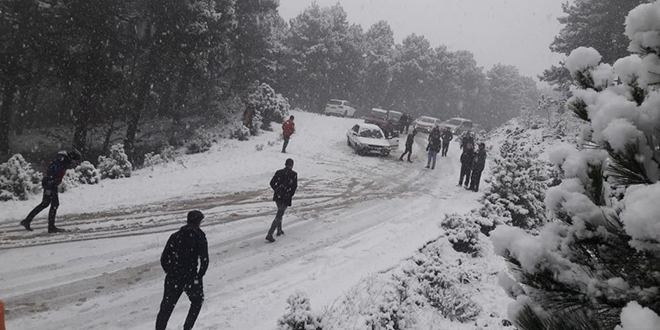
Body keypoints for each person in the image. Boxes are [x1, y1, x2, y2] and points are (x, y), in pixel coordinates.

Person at [156, 210, 209, 330]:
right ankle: (187, 327)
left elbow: (164, 258)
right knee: (197, 301)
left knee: (166, 307)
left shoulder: (175, 236)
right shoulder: (199, 236)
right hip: (190, 277)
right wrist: (198, 276)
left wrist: (170, 271)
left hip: (173, 277)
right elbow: (204, 259)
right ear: (198, 222)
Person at [19, 149, 81, 233]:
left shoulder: (64, 161)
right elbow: (50, 173)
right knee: (53, 204)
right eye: (75, 160)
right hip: (50, 184)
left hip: (52, 184)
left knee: (46, 203)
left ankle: (28, 221)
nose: (75, 163)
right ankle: (50, 227)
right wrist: (48, 187)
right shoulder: (61, 161)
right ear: (71, 158)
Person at [266, 158, 298, 242]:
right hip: (285, 197)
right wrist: (289, 194)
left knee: (280, 212)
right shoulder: (293, 174)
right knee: (279, 215)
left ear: (285, 164)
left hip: (278, 196)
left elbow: (272, 183)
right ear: (292, 165)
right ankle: (270, 234)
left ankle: (279, 230)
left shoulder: (279, 172)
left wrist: (277, 190)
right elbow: (294, 187)